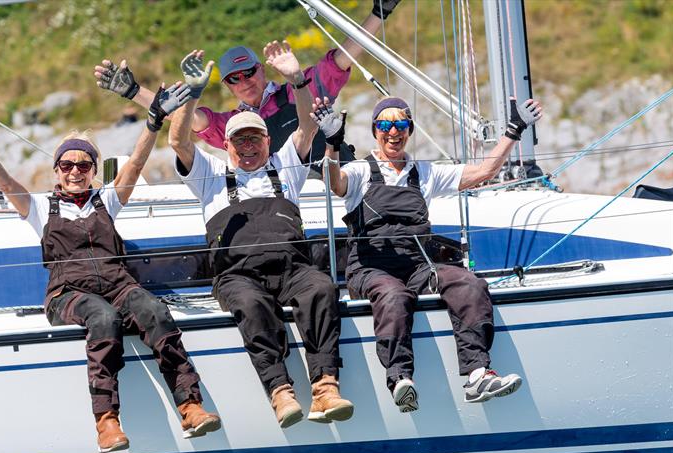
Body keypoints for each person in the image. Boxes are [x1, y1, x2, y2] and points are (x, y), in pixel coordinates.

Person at [0, 83, 221, 453]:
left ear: (92, 171)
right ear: (56, 170)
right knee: (103, 318)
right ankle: (106, 420)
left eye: (83, 165)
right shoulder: (41, 209)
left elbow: (134, 165)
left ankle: (189, 404)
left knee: (155, 311)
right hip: (67, 295)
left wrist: (153, 122)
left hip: (118, 285)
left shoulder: (107, 202)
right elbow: (5, 182)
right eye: (67, 165)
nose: (74, 171)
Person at [313, 95, 543, 412]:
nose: (393, 131)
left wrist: (514, 130)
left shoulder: (425, 173)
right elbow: (333, 183)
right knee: (394, 295)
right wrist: (332, 143)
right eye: (385, 124)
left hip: (418, 267)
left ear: (409, 129)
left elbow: (484, 172)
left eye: (401, 124)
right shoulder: (360, 172)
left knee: (469, 283)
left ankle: (478, 374)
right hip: (370, 269)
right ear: (375, 130)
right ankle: (399, 379)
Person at [168, 45, 354, 428]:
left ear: (268, 142)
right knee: (252, 304)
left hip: (291, 268)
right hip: (237, 275)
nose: (248, 147)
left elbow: (308, 126)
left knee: (320, 286)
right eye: (240, 141)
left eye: (255, 139)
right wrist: (192, 95)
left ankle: (325, 386)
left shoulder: (286, 166)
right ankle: (280, 392)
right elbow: (178, 142)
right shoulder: (210, 176)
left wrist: (298, 80)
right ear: (226, 145)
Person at [94, 0, 404, 166]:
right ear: (228, 86)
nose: (244, 81)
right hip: (289, 210)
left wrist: (379, 12)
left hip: (337, 187)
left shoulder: (300, 86)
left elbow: (344, 58)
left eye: (249, 72)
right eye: (234, 79)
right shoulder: (232, 125)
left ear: (263, 70)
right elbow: (185, 115)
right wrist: (134, 91)